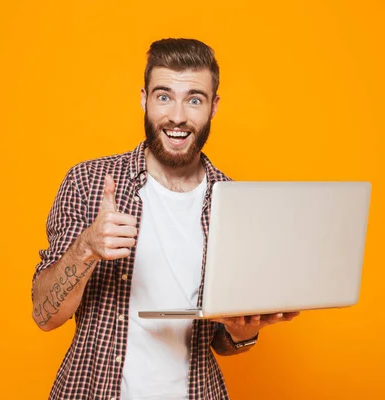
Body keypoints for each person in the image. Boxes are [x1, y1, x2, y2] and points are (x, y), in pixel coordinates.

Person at [31, 38, 299, 400]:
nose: (177, 116)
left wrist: (240, 332)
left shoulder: (234, 204)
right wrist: (87, 249)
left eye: (194, 99)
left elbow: (224, 342)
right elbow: (44, 316)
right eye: (163, 96)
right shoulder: (88, 182)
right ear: (144, 99)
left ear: (213, 106)